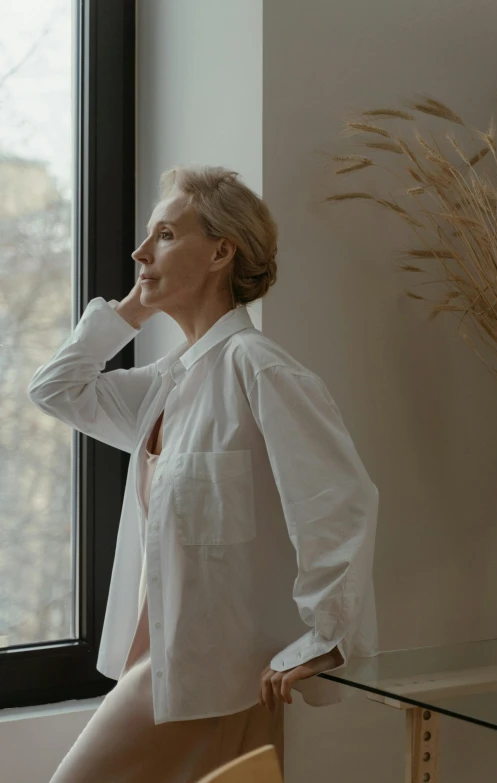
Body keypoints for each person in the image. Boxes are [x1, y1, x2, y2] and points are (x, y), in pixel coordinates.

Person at [28, 164, 379, 783]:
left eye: (163, 235)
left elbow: (339, 502)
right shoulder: (167, 384)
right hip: (163, 674)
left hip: (224, 682)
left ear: (222, 250)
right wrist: (130, 309)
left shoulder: (261, 372)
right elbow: (56, 389)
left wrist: (321, 640)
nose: (140, 251)